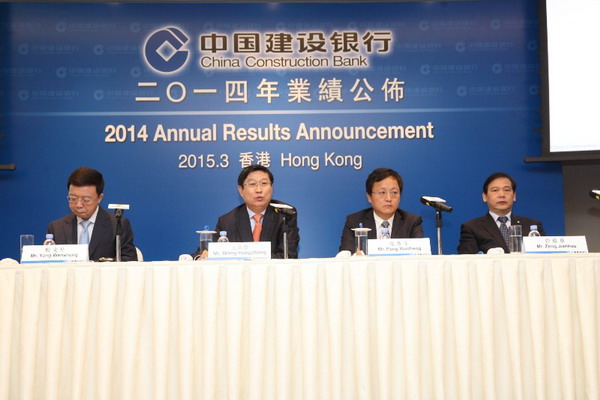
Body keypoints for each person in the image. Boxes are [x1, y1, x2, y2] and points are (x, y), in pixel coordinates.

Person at [192, 165, 300, 259]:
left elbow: (288, 255)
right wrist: (199, 257)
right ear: (241, 190)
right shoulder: (227, 221)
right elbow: (206, 252)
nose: (259, 190)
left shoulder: (285, 215)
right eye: (252, 184)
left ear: (272, 187)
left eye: (264, 183)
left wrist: (246, 257)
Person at [47, 167, 137, 261]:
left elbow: (129, 260)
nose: (78, 205)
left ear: (99, 198)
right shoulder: (56, 228)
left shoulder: (117, 225)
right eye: (73, 199)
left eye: (86, 200)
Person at [339, 168, 424, 253]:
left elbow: (420, 255)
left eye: (394, 192)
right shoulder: (354, 222)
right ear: (369, 197)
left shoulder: (412, 222)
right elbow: (345, 255)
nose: (388, 198)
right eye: (382, 193)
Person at [458, 172, 545, 254]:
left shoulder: (532, 226)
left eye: (507, 190)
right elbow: (467, 261)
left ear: (514, 196)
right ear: (485, 197)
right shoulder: (472, 228)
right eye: (495, 190)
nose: (502, 195)